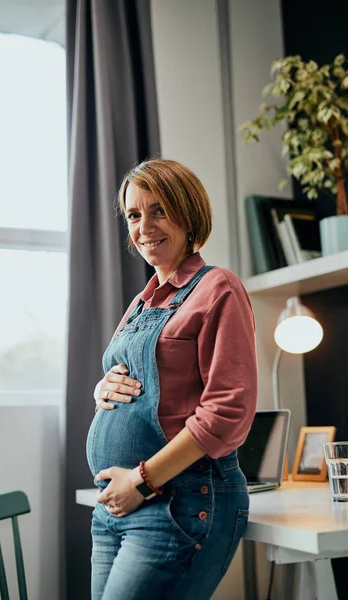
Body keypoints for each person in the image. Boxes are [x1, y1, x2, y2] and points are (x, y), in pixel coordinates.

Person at [86, 158, 257, 600]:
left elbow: (227, 413)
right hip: (114, 508)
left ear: (189, 212)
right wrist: (102, 391)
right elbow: (138, 381)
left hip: (179, 502)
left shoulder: (219, 288)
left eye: (159, 210)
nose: (145, 226)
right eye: (134, 215)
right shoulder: (141, 302)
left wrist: (141, 480)